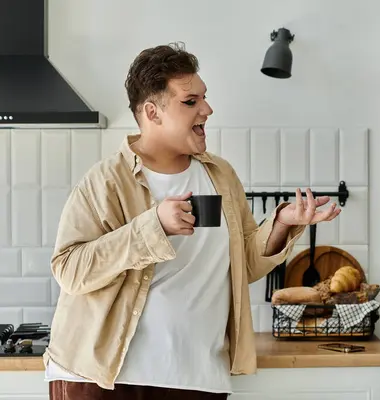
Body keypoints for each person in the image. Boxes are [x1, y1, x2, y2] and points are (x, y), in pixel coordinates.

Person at [42, 42, 341, 400]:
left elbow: (242, 262)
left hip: (196, 378)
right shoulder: (106, 181)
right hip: (105, 378)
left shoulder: (219, 176)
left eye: (204, 98)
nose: (207, 109)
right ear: (152, 113)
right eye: (190, 102)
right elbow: (69, 270)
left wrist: (282, 223)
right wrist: (153, 226)